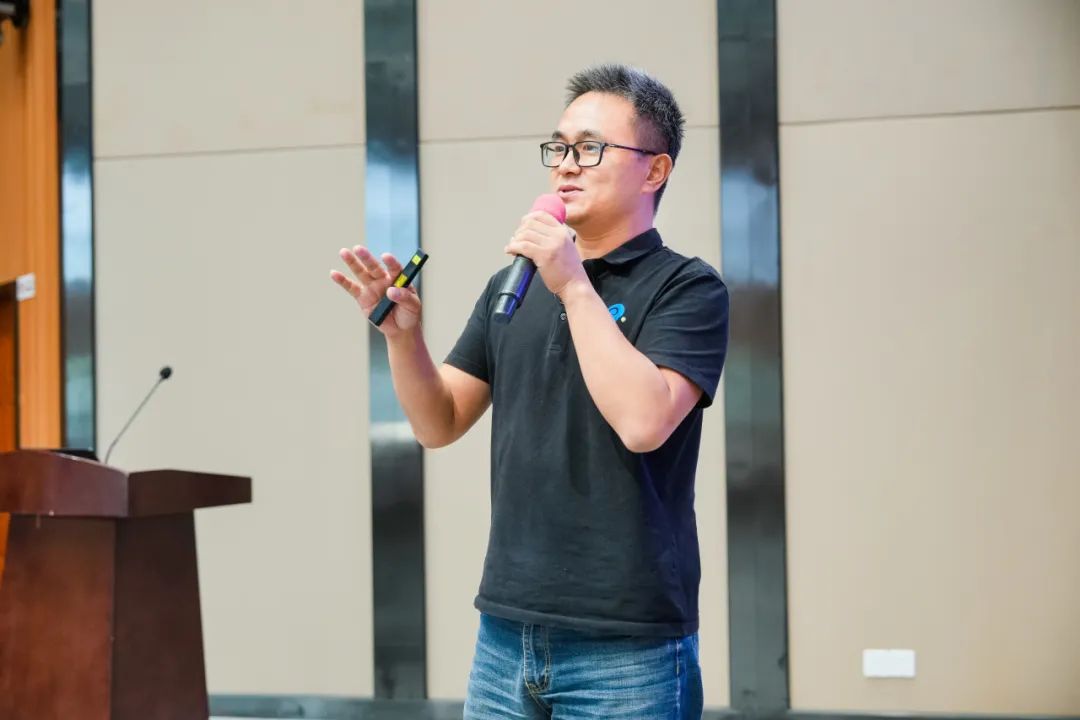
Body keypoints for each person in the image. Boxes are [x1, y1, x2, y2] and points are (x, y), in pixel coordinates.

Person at [331, 64, 728, 720]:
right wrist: (403, 338)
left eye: (590, 148)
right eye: (559, 148)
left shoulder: (687, 288)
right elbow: (439, 422)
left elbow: (644, 423)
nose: (566, 165)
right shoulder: (511, 285)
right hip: (506, 632)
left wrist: (573, 284)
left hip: (626, 643)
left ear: (654, 171)